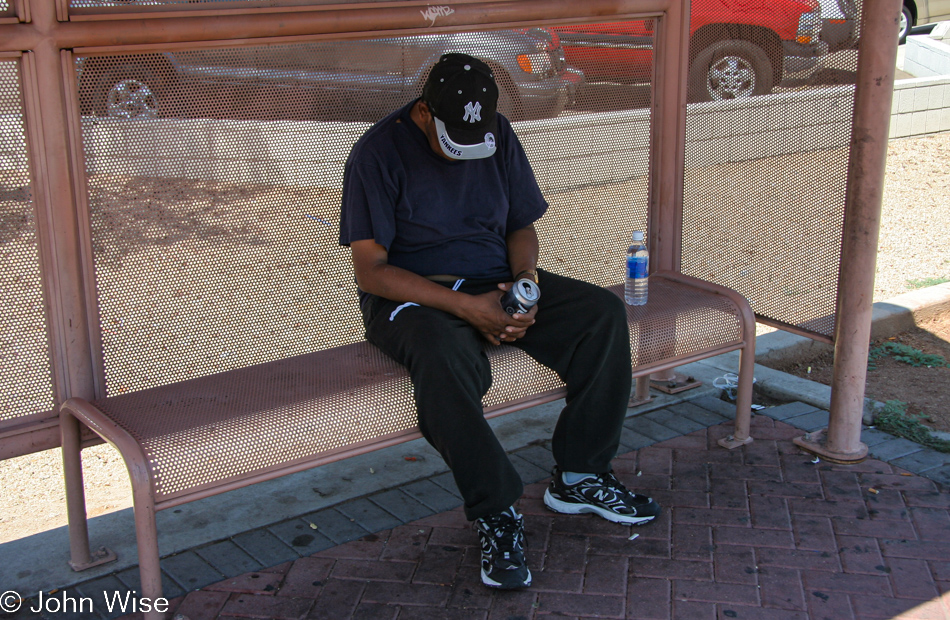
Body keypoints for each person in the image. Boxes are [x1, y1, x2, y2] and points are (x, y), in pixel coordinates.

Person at [339, 53, 660, 590]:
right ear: (423, 114)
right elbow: (372, 271)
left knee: (601, 315)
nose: (466, 151)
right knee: (443, 361)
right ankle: (496, 509)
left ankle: (581, 474)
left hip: (494, 278)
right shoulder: (377, 153)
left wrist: (523, 286)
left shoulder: (499, 133)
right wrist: (469, 309)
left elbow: (520, 226)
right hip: (414, 297)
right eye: (453, 139)